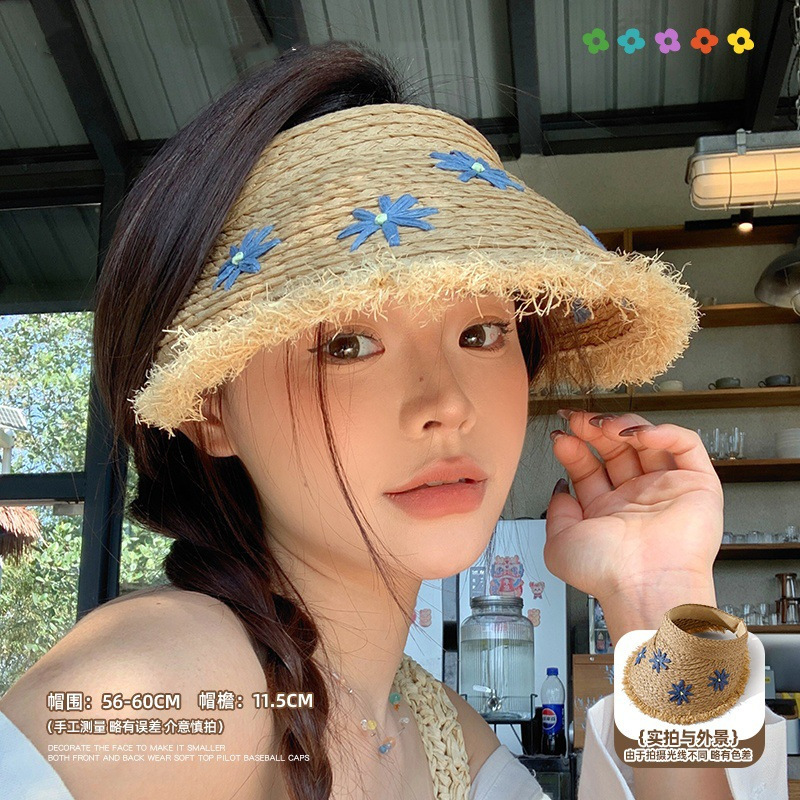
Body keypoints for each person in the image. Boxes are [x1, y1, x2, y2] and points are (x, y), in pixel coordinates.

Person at [0, 40, 788, 800]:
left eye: (481, 333)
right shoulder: (177, 677)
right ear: (212, 410)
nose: (447, 403)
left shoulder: (438, 735)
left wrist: (657, 599)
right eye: (348, 344)